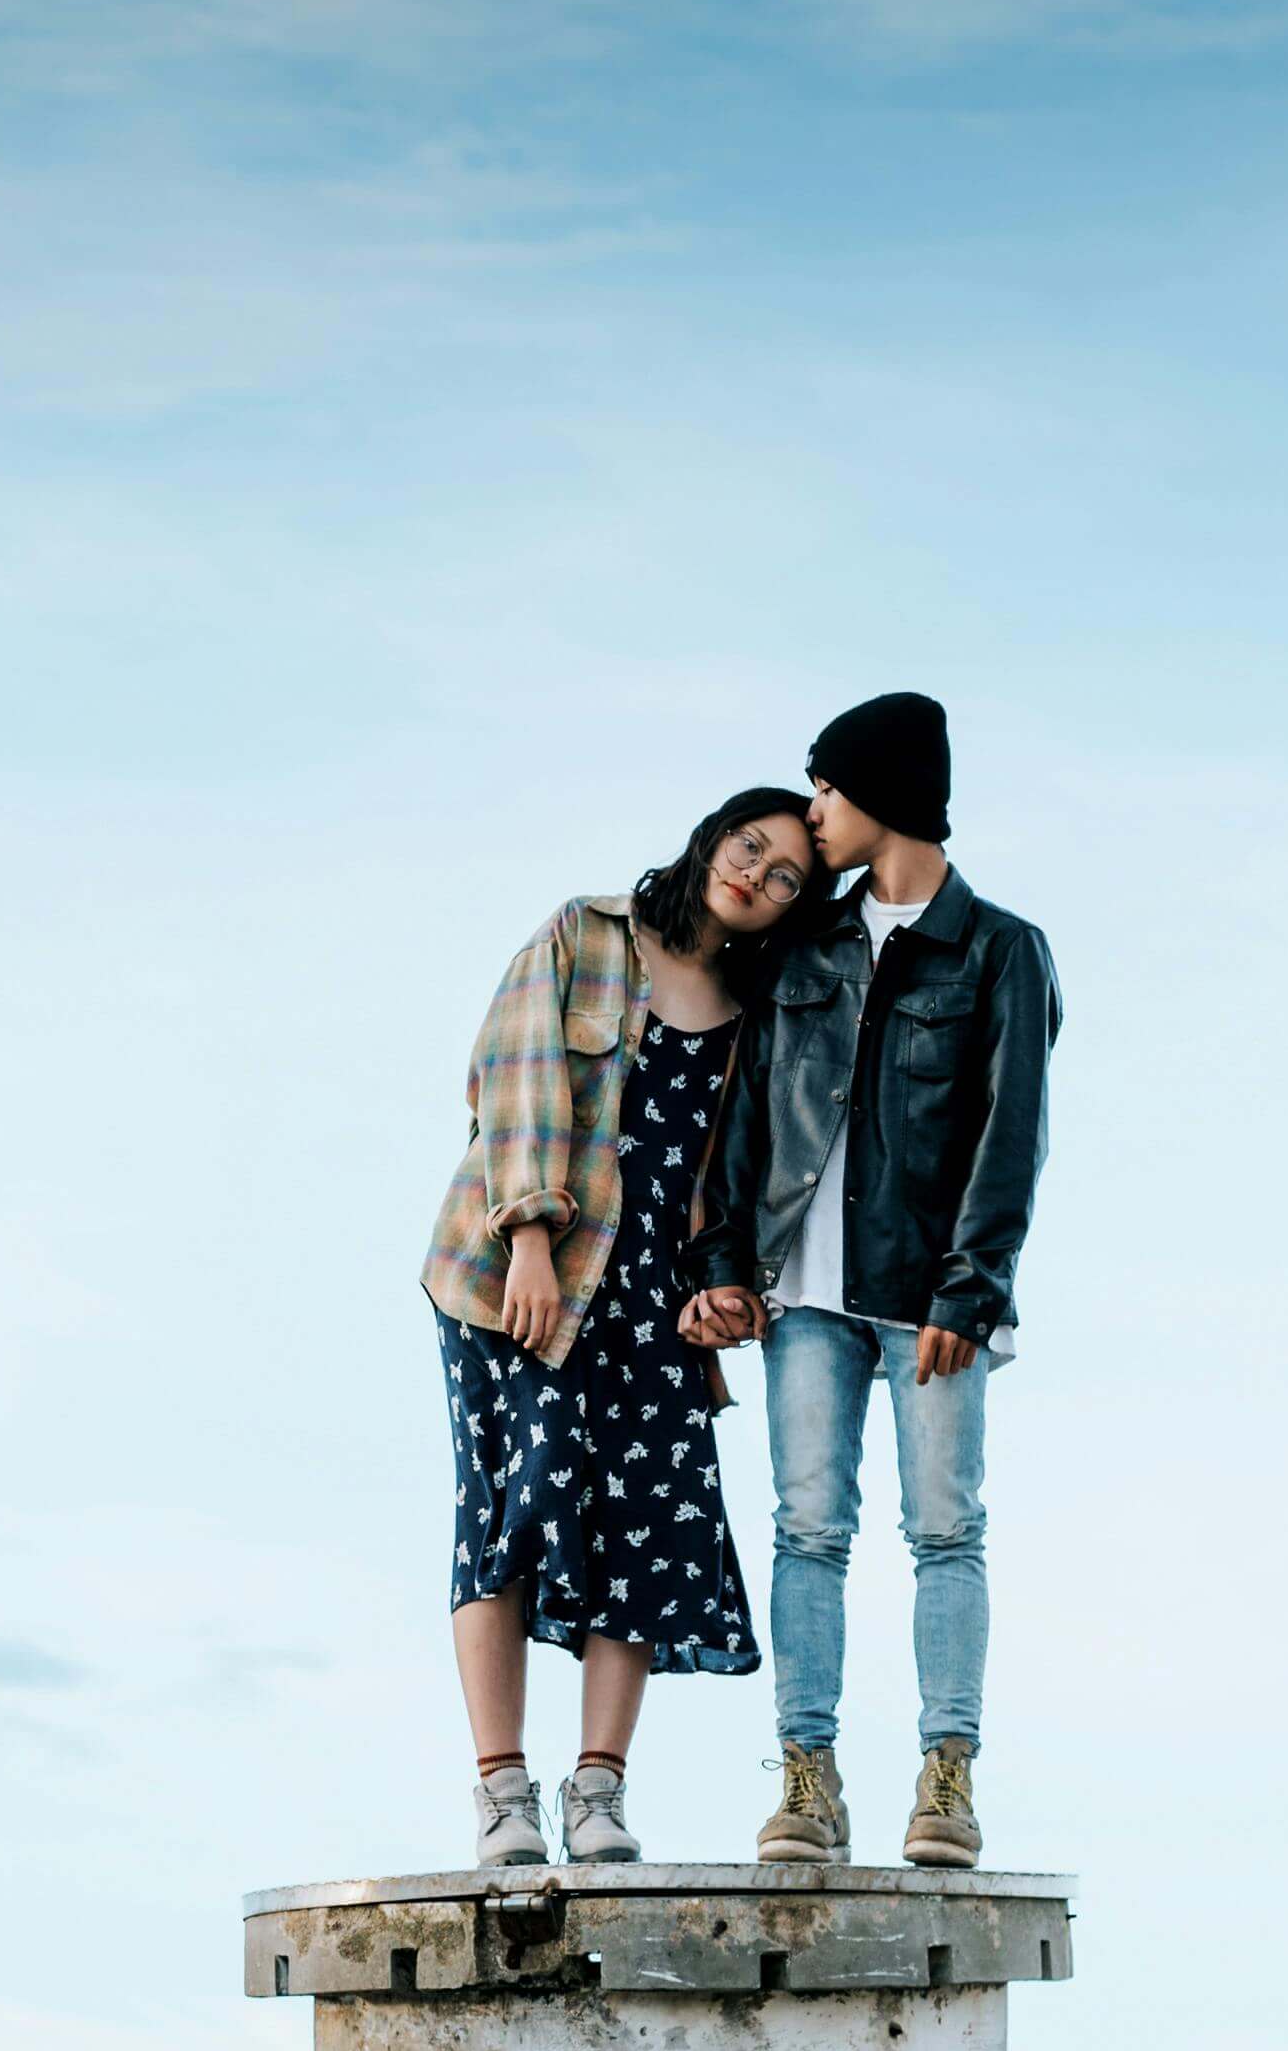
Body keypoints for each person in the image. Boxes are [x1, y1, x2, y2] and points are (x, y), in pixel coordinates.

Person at [421, 789, 834, 1866]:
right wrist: (527, 1237)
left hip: (652, 1300)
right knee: (511, 1504)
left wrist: (721, 1280)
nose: (756, 874)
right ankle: (501, 1791)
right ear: (713, 839)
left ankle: (597, 1789)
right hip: (524, 1274)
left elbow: (727, 1175)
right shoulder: (590, 933)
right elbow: (513, 1082)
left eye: (786, 873)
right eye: (750, 846)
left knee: (648, 1526)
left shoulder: (758, 1012)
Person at [684, 691, 1056, 1864]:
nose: (812, 810)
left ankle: (946, 1778)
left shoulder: (999, 949)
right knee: (807, 1529)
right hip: (804, 1298)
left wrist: (970, 1286)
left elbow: (1012, 1134)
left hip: (927, 1298)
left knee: (945, 1528)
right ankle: (809, 1779)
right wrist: (726, 1264)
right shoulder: (805, 949)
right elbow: (747, 1117)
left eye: (828, 788)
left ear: (883, 796)